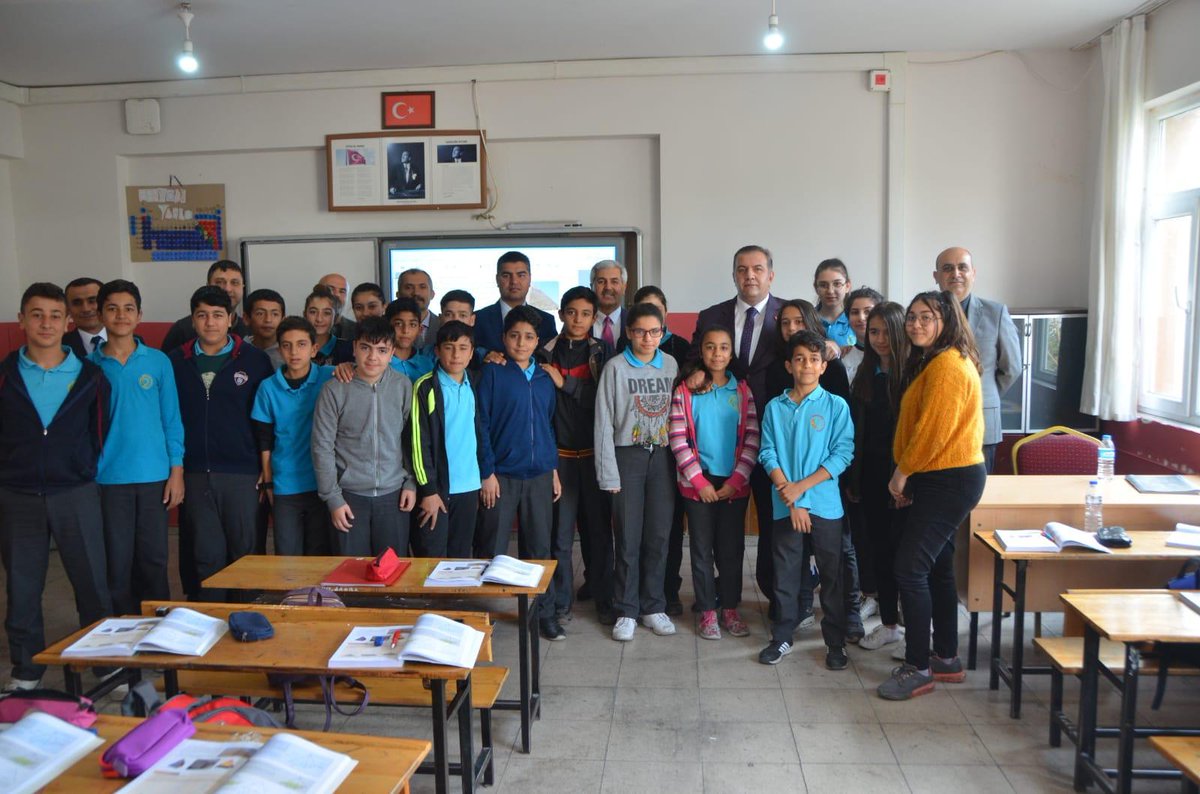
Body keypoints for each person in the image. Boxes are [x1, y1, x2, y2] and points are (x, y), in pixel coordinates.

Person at [0, 283, 112, 691]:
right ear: (21, 320)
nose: (45, 323)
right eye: (36, 315)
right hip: (18, 494)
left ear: (67, 323)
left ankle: (102, 662)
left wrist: (79, 468)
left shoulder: (91, 377)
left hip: (75, 492)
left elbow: (99, 432)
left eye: (53, 316)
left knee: (92, 582)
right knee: (23, 585)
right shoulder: (5, 376)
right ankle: (26, 670)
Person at [877, 290, 987, 701]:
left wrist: (902, 473)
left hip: (949, 478)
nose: (916, 324)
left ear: (947, 321)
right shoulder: (939, 360)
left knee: (910, 568)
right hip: (942, 475)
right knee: (938, 566)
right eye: (912, 317)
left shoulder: (947, 366)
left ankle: (918, 667)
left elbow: (932, 433)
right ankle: (945, 657)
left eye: (927, 317)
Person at [691, 245, 785, 621]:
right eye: (742, 269)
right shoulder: (711, 315)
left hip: (775, 436)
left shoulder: (787, 315)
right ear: (733, 275)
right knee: (721, 530)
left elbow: (807, 353)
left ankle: (775, 594)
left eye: (757, 269)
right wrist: (692, 372)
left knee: (772, 522)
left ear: (770, 275)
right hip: (722, 438)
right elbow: (695, 360)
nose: (750, 275)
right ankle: (718, 595)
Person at [762, 298, 862, 639]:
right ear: (788, 365)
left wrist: (800, 491)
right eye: (799, 359)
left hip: (824, 504)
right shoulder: (775, 407)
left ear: (823, 366)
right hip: (784, 503)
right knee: (786, 573)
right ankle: (782, 636)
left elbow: (842, 454)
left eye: (814, 359)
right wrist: (790, 496)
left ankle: (834, 641)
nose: (806, 365)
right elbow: (768, 453)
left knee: (832, 574)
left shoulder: (836, 406)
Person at [169, 286, 273, 602]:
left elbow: (268, 419)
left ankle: (247, 618)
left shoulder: (256, 361)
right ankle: (206, 619)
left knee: (246, 553)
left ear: (230, 319)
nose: (210, 322)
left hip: (243, 473)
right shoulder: (175, 362)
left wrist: (265, 466)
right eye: (202, 315)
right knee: (204, 553)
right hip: (194, 472)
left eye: (217, 315)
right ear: (193, 320)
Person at [90, 279, 184, 617]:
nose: (121, 315)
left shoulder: (158, 362)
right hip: (107, 478)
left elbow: (171, 419)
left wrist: (176, 471)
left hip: (153, 477)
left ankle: (157, 628)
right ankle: (121, 629)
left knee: (154, 560)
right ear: (101, 314)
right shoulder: (89, 366)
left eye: (128, 308)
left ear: (140, 314)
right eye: (112, 308)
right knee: (116, 561)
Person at [475, 306, 563, 640]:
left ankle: (543, 614)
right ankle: (483, 614)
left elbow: (548, 425)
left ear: (538, 341)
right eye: (514, 336)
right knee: (492, 547)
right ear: (503, 338)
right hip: (502, 476)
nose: (521, 343)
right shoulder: (492, 373)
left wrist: (552, 469)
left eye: (528, 337)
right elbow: (481, 424)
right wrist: (487, 473)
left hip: (539, 474)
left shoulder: (543, 378)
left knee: (539, 549)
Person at [668, 325, 758, 640]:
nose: (716, 353)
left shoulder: (742, 391)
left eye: (723, 347)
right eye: (710, 346)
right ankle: (707, 610)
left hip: (733, 484)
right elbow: (677, 437)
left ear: (731, 354)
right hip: (698, 484)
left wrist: (736, 480)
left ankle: (729, 608)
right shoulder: (685, 391)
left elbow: (752, 438)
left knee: (731, 550)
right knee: (701, 549)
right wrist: (698, 481)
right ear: (701, 351)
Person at [596, 303, 679, 642]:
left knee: (658, 535)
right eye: (640, 331)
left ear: (663, 333)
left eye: (654, 331)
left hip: (663, 457)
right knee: (628, 537)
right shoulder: (615, 368)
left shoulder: (670, 364)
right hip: (626, 456)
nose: (647, 338)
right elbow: (603, 422)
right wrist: (608, 473)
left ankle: (653, 606)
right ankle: (626, 609)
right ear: (629, 332)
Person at [311, 317, 417, 556]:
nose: (372, 357)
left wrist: (411, 482)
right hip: (348, 496)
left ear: (392, 353)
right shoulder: (334, 389)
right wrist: (333, 498)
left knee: (391, 569)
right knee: (351, 569)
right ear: (354, 348)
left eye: (382, 350)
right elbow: (322, 447)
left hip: (394, 494)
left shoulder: (403, 386)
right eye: (365, 348)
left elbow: (410, 440)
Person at [539, 287, 614, 624]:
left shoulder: (604, 352)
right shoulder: (545, 352)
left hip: (595, 455)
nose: (578, 320)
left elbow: (605, 398)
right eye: (571, 312)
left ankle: (603, 597)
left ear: (594, 318)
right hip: (560, 457)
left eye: (585, 314)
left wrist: (565, 383)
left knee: (599, 532)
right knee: (560, 535)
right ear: (561, 314)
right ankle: (560, 602)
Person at [847, 302, 909, 652]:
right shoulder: (865, 372)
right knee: (879, 552)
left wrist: (906, 480)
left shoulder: (912, 373)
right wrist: (854, 480)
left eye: (887, 331)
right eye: (874, 332)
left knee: (907, 558)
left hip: (904, 477)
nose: (880, 338)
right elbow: (857, 432)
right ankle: (888, 625)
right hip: (870, 476)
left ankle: (917, 630)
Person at [628, 285, 690, 614]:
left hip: (670, 451)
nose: (648, 329)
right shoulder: (623, 354)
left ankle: (667, 591)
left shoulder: (679, 351)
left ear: (664, 315)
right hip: (633, 454)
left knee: (667, 528)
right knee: (634, 530)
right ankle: (633, 594)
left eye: (656, 310)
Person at [932, 246, 1022, 472]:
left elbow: (1012, 368)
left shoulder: (996, 313)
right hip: (935, 422)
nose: (956, 274)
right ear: (936, 276)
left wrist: (981, 394)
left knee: (979, 491)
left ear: (973, 273)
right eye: (947, 268)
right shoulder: (925, 314)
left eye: (962, 267)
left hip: (981, 422)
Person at [251, 316, 335, 556]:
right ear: (279, 349)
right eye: (287, 345)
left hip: (322, 482)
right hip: (285, 484)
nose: (294, 352)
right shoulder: (268, 387)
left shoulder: (330, 377)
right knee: (287, 554)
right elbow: (265, 440)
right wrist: (269, 481)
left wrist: (347, 367)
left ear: (314, 349)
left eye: (301, 344)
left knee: (319, 553)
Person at [409, 321, 487, 557]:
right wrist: (428, 491)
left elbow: (480, 433)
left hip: (469, 486)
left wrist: (484, 475)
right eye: (449, 347)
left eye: (463, 348)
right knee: (431, 557)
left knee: (460, 557)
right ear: (437, 350)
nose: (456, 355)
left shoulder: (475, 383)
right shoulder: (425, 387)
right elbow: (418, 443)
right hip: (437, 490)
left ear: (472, 353)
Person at [473, 251, 558, 355]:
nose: (514, 281)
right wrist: (484, 355)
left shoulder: (547, 321)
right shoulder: (478, 319)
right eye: (506, 276)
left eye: (521, 275)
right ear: (497, 279)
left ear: (530, 279)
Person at [160, 260, 249, 351]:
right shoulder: (182, 329)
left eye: (234, 283)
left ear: (242, 287)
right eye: (219, 282)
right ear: (208, 286)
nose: (227, 289)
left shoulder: (250, 328)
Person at [840, 286, 884, 384]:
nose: (861, 318)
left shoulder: (892, 354)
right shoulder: (843, 357)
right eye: (855, 312)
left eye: (868, 311)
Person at [385, 298, 436, 380]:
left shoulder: (428, 365)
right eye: (398, 324)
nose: (405, 331)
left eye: (412, 324)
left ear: (420, 329)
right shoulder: (380, 364)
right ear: (387, 326)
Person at [306, 285, 354, 365]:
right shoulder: (296, 347)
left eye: (327, 313)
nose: (319, 319)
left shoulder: (348, 349)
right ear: (305, 315)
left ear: (336, 318)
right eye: (313, 312)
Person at [813, 259, 856, 347]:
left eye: (837, 284)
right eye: (823, 285)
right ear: (816, 287)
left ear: (847, 286)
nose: (830, 291)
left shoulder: (857, 320)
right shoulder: (807, 319)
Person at [396, 268, 441, 349]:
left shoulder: (442, 325)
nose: (416, 293)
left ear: (432, 294)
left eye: (422, 287)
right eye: (408, 287)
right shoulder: (386, 325)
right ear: (398, 294)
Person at [63, 277, 106, 359]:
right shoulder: (59, 346)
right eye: (77, 303)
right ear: (68, 309)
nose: (86, 309)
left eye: (92, 301)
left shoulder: (130, 341)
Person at [244, 288, 286, 369]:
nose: (268, 320)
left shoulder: (289, 353)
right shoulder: (237, 350)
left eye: (275, 314)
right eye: (260, 314)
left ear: (283, 320)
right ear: (246, 318)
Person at [590, 259, 627, 349]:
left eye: (614, 281)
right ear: (592, 287)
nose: (608, 287)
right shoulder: (579, 323)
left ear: (624, 287)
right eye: (601, 281)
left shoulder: (634, 321)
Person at [318, 273, 356, 341]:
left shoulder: (357, 330)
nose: (337, 295)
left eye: (342, 291)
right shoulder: (301, 327)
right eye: (331, 289)